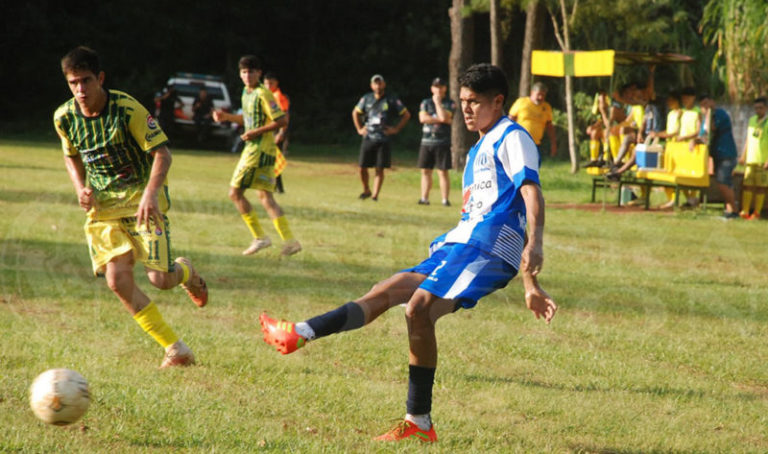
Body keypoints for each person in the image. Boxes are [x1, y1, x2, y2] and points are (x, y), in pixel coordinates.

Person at [259, 63, 557, 443]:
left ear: (498, 101)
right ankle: (411, 416)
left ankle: (411, 414)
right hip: (461, 244)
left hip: (488, 248)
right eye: (463, 101)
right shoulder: (479, 146)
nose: (465, 109)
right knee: (394, 293)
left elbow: (530, 193)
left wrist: (535, 256)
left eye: (474, 102)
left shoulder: (512, 137)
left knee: (416, 305)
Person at [53, 46, 207, 368]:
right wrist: (80, 188)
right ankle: (176, 349)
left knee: (160, 280)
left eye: (86, 81)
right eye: (73, 83)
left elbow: (162, 153)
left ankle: (186, 271)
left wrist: (151, 194)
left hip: (142, 202)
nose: (80, 90)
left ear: (100, 79)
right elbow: (71, 156)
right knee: (117, 280)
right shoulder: (64, 117)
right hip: (104, 208)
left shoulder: (126, 110)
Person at [212, 55, 301, 256]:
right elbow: (249, 119)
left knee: (234, 193)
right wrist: (226, 117)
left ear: (259, 73)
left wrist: (255, 132)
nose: (247, 75)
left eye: (251, 71)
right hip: (260, 150)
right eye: (244, 72)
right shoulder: (246, 93)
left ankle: (260, 238)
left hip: (258, 150)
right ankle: (290, 241)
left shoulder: (264, 94)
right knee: (265, 196)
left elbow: (281, 121)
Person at [352, 74, 411, 201]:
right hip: (368, 137)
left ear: (384, 84)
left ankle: (375, 195)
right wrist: (359, 128)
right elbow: (355, 112)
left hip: (383, 138)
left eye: (380, 83)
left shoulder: (391, 99)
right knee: (362, 167)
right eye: (375, 83)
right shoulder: (366, 99)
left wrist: (396, 129)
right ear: (372, 85)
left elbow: (406, 114)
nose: (378, 86)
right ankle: (366, 189)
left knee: (380, 168)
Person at [698, 94, 738, 218]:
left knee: (723, 182)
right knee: (722, 182)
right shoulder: (705, 118)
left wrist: (709, 113)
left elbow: (711, 130)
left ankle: (734, 210)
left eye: (707, 104)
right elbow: (702, 136)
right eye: (702, 105)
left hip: (727, 153)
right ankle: (729, 209)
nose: (705, 107)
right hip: (717, 154)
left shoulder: (720, 114)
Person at [417, 77, 456, 206]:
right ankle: (424, 198)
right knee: (425, 171)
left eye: (441, 86)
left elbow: (446, 117)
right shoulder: (425, 102)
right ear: (432, 88)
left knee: (442, 171)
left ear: (445, 88)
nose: (438, 89)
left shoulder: (450, 103)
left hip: (442, 141)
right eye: (436, 87)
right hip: (427, 141)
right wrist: (440, 119)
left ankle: (445, 199)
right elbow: (422, 118)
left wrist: (438, 104)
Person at [508, 81, 556, 158]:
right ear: (532, 92)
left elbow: (549, 126)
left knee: (533, 167)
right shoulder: (522, 102)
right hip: (519, 141)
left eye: (543, 95)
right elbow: (510, 120)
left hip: (535, 143)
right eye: (538, 94)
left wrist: (553, 143)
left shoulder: (546, 107)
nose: (540, 97)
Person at [738, 96, 768, 220]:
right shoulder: (752, 120)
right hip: (751, 159)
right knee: (747, 185)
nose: (758, 110)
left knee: (761, 187)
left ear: (766, 108)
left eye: (760, 108)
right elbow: (748, 139)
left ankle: (756, 213)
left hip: (762, 160)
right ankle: (745, 211)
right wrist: (743, 155)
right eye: (756, 108)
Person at [264, 72, 289, 194]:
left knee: (274, 160)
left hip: (275, 131)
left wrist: (281, 133)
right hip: (269, 131)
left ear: (276, 83)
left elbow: (285, 115)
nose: (268, 85)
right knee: (271, 160)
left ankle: (277, 187)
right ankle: (275, 186)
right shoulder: (268, 95)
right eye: (266, 83)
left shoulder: (278, 96)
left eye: (271, 83)